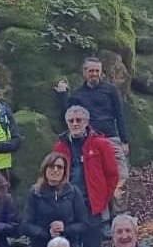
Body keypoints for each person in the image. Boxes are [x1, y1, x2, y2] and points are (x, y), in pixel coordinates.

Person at [54, 56, 129, 199]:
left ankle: (120, 215)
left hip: (110, 137)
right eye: (91, 71)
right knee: (94, 178)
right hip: (90, 141)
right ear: (84, 72)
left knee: (121, 176)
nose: (94, 74)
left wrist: (124, 140)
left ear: (101, 72)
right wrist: (63, 94)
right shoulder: (78, 94)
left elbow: (120, 114)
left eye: (97, 71)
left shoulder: (110, 90)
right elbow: (69, 115)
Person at [54, 105, 119, 247]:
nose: (75, 124)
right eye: (71, 121)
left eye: (79, 120)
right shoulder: (60, 146)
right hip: (68, 204)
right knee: (70, 246)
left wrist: (103, 198)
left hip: (91, 205)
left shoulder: (101, 144)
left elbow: (112, 174)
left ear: (86, 122)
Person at [22, 151, 90, 247]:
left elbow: (84, 223)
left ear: (64, 171)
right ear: (45, 169)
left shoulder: (73, 192)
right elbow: (26, 225)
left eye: (59, 167)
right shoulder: (35, 193)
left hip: (69, 244)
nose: (55, 170)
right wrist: (48, 233)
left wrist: (65, 229)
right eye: (51, 166)